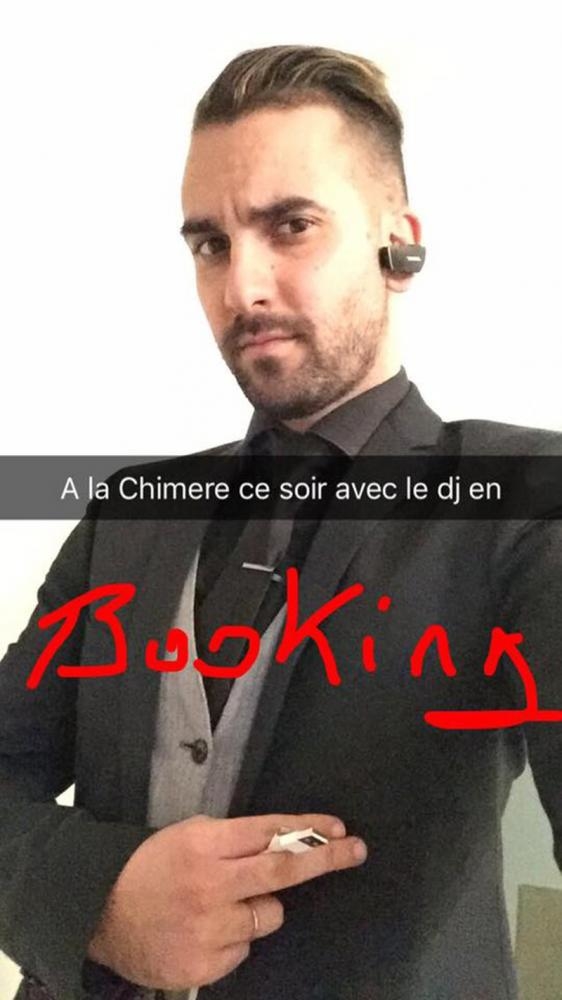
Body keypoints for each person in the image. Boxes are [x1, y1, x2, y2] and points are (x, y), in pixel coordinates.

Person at [1, 44, 561, 1000]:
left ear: (399, 243)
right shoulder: (127, 513)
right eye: (210, 245)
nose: (242, 288)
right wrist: (95, 896)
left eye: (291, 226)